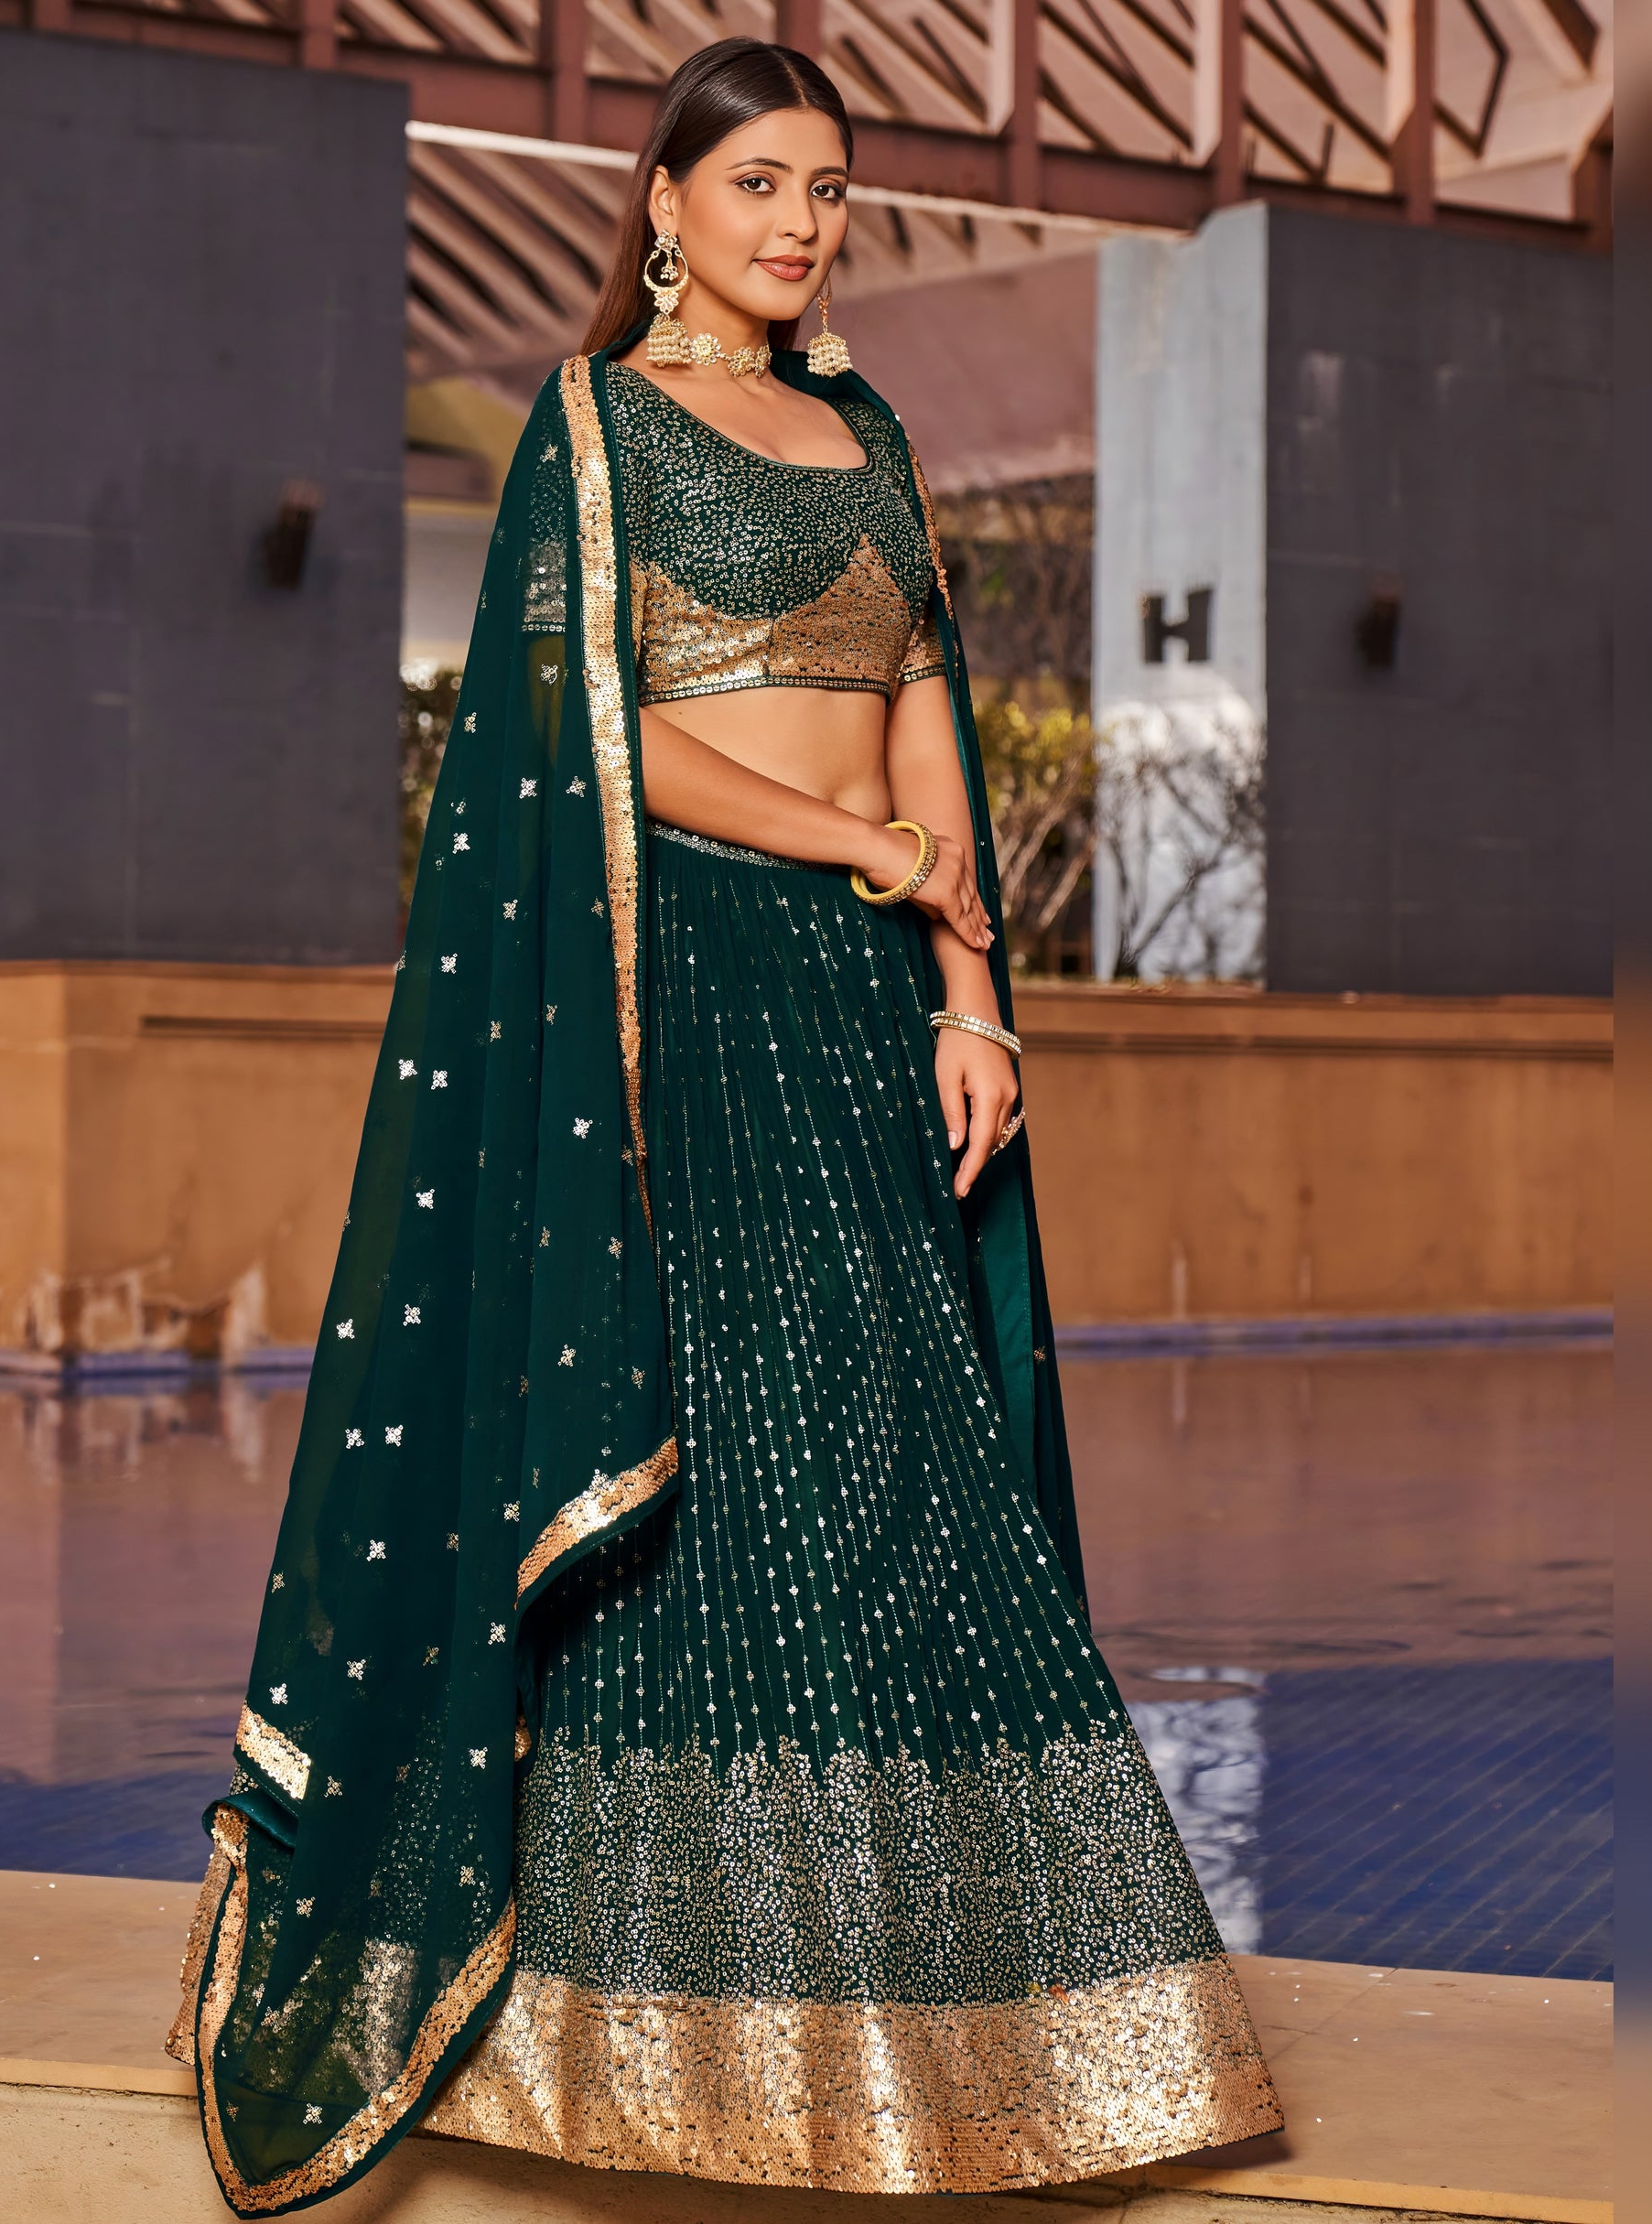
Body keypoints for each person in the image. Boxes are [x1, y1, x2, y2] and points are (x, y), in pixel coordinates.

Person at [168, 38, 1282, 2211]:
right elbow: (586, 735)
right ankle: (639, 2018)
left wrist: (972, 994)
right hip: (675, 988)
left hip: (870, 1007)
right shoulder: (595, 430)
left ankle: (976, 2011)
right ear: (665, 203)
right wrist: (857, 848)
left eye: (829, 188)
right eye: (757, 181)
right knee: (723, 1464)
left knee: (908, 1458)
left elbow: (921, 716)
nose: (798, 222)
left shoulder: (871, 437)